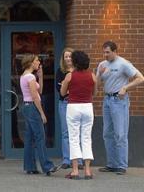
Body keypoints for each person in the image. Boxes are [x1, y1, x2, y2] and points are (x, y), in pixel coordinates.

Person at [96, 41, 144, 175]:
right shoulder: (102, 65)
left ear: (115, 51)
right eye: (103, 52)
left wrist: (125, 87)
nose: (105, 55)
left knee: (120, 134)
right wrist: (99, 74)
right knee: (107, 133)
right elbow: (97, 85)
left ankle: (122, 165)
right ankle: (111, 164)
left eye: (108, 52)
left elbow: (140, 78)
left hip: (119, 101)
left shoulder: (123, 63)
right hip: (107, 100)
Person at [20, 54, 59, 176]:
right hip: (32, 107)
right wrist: (42, 113)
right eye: (37, 60)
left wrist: (40, 77)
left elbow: (40, 91)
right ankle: (47, 166)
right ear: (31, 62)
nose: (39, 62)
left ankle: (30, 166)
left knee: (30, 138)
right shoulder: (30, 77)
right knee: (40, 137)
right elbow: (35, 96)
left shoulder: (25, 76)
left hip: (27, 107)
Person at [61, 50, 96, 180]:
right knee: (86, 137)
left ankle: (75, 170)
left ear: (75, 62)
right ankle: (87, 170)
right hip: (87, 106)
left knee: (73, 138)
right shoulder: (92, 76)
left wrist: (66, 87)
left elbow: (63, 93)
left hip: (73, 107)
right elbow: (95, 93)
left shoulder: (70, 76)